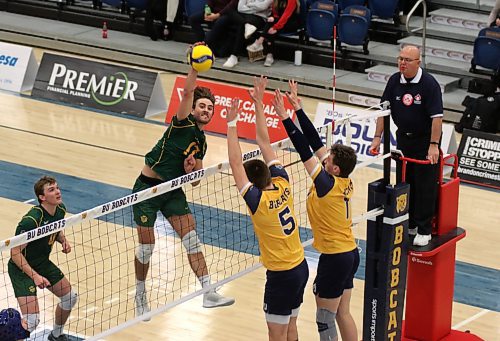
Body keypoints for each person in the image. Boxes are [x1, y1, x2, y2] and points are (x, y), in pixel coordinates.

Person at [132, 43, 234, 319]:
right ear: (193, 109)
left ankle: (208, 292)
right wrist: (193, 66)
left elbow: (197, 180)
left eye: (209, 108)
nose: (205, 110)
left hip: (173, 191)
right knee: (146, 247)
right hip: (147, 188)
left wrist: (191, 168)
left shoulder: (200, 140)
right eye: (202, 106)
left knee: (193, 242)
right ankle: (140, 294)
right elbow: (188, 91)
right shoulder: (181, 122)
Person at [273, 81, 359, 341]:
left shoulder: (326, 183)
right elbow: (314, 140)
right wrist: (298, 109)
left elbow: (302, 148)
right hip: (350, 253)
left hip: (335, 257)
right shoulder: (341, 179)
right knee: (342, 312)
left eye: (328, 159)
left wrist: (285, 119)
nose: (325, 158)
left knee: (325, 319)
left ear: (333, 168)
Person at [226, 76, 308, 341]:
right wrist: (258, 104)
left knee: (276, 335)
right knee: (291, 329)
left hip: (282, 274)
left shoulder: (256, 201)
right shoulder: (283, 182)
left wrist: (231, 122)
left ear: (252, 184)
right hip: (300, 267)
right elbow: (264, 143)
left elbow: (236, 164)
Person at [370, 45, 443, 247]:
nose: (402, 62)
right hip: (403, 139)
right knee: (405, 181)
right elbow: (384, 112)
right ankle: (409, 223)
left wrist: (434, 145)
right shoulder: (394, 80)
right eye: (400, 58)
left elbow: (437, 118)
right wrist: (377, 137)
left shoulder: (429, 84)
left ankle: (424, 229)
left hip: (425, 141)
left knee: (425, 186)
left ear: (418, 63)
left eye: (407, 60)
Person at [8, 176, 77, 341]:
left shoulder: (60, 209)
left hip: (41, 262)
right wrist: (35, 276)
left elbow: (56, 227)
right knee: (32, 321)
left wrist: (63, 240)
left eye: (57, 187)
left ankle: (56, 335)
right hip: (21, 269)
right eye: (51, 190)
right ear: (42, 197)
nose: (58, 192)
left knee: (70, 298)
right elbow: (15, 252)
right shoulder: (31, 221)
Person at [246, 0, 301, 67]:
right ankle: (269, 55)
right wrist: (273, 19)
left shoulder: (292, 1)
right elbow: (276, 15)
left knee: (272, 26)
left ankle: (260, 42)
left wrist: (275, 27)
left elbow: (286, 16)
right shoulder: (276, 1)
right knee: (270, 22)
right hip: (280, 22)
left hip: (291, 23)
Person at [222, 0, 273, 67]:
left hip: (260, 17)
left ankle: (234, 56)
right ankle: (246, 24)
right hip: (246, 15)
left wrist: (249, 5)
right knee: (229, 11)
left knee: (241, 25)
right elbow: (240, 8)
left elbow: (263, 6)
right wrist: (255, 9)